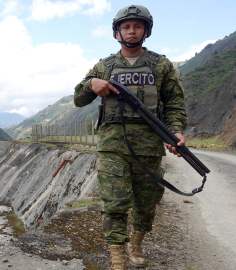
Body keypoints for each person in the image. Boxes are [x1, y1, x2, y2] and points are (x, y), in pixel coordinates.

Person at [73, 4, 188, 270]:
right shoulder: (104, 66)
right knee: (114, 203)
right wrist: (91, 83)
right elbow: (79, 98)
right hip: (112, 145)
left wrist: (176, 131)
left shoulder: (162, 66)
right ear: (117, 33)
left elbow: (174, 103)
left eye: (137, 26)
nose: (132, 31)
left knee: (147, 204)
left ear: (146, 30)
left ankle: (136, 244)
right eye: (126, 26)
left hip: (149, 146)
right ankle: (117, 260)